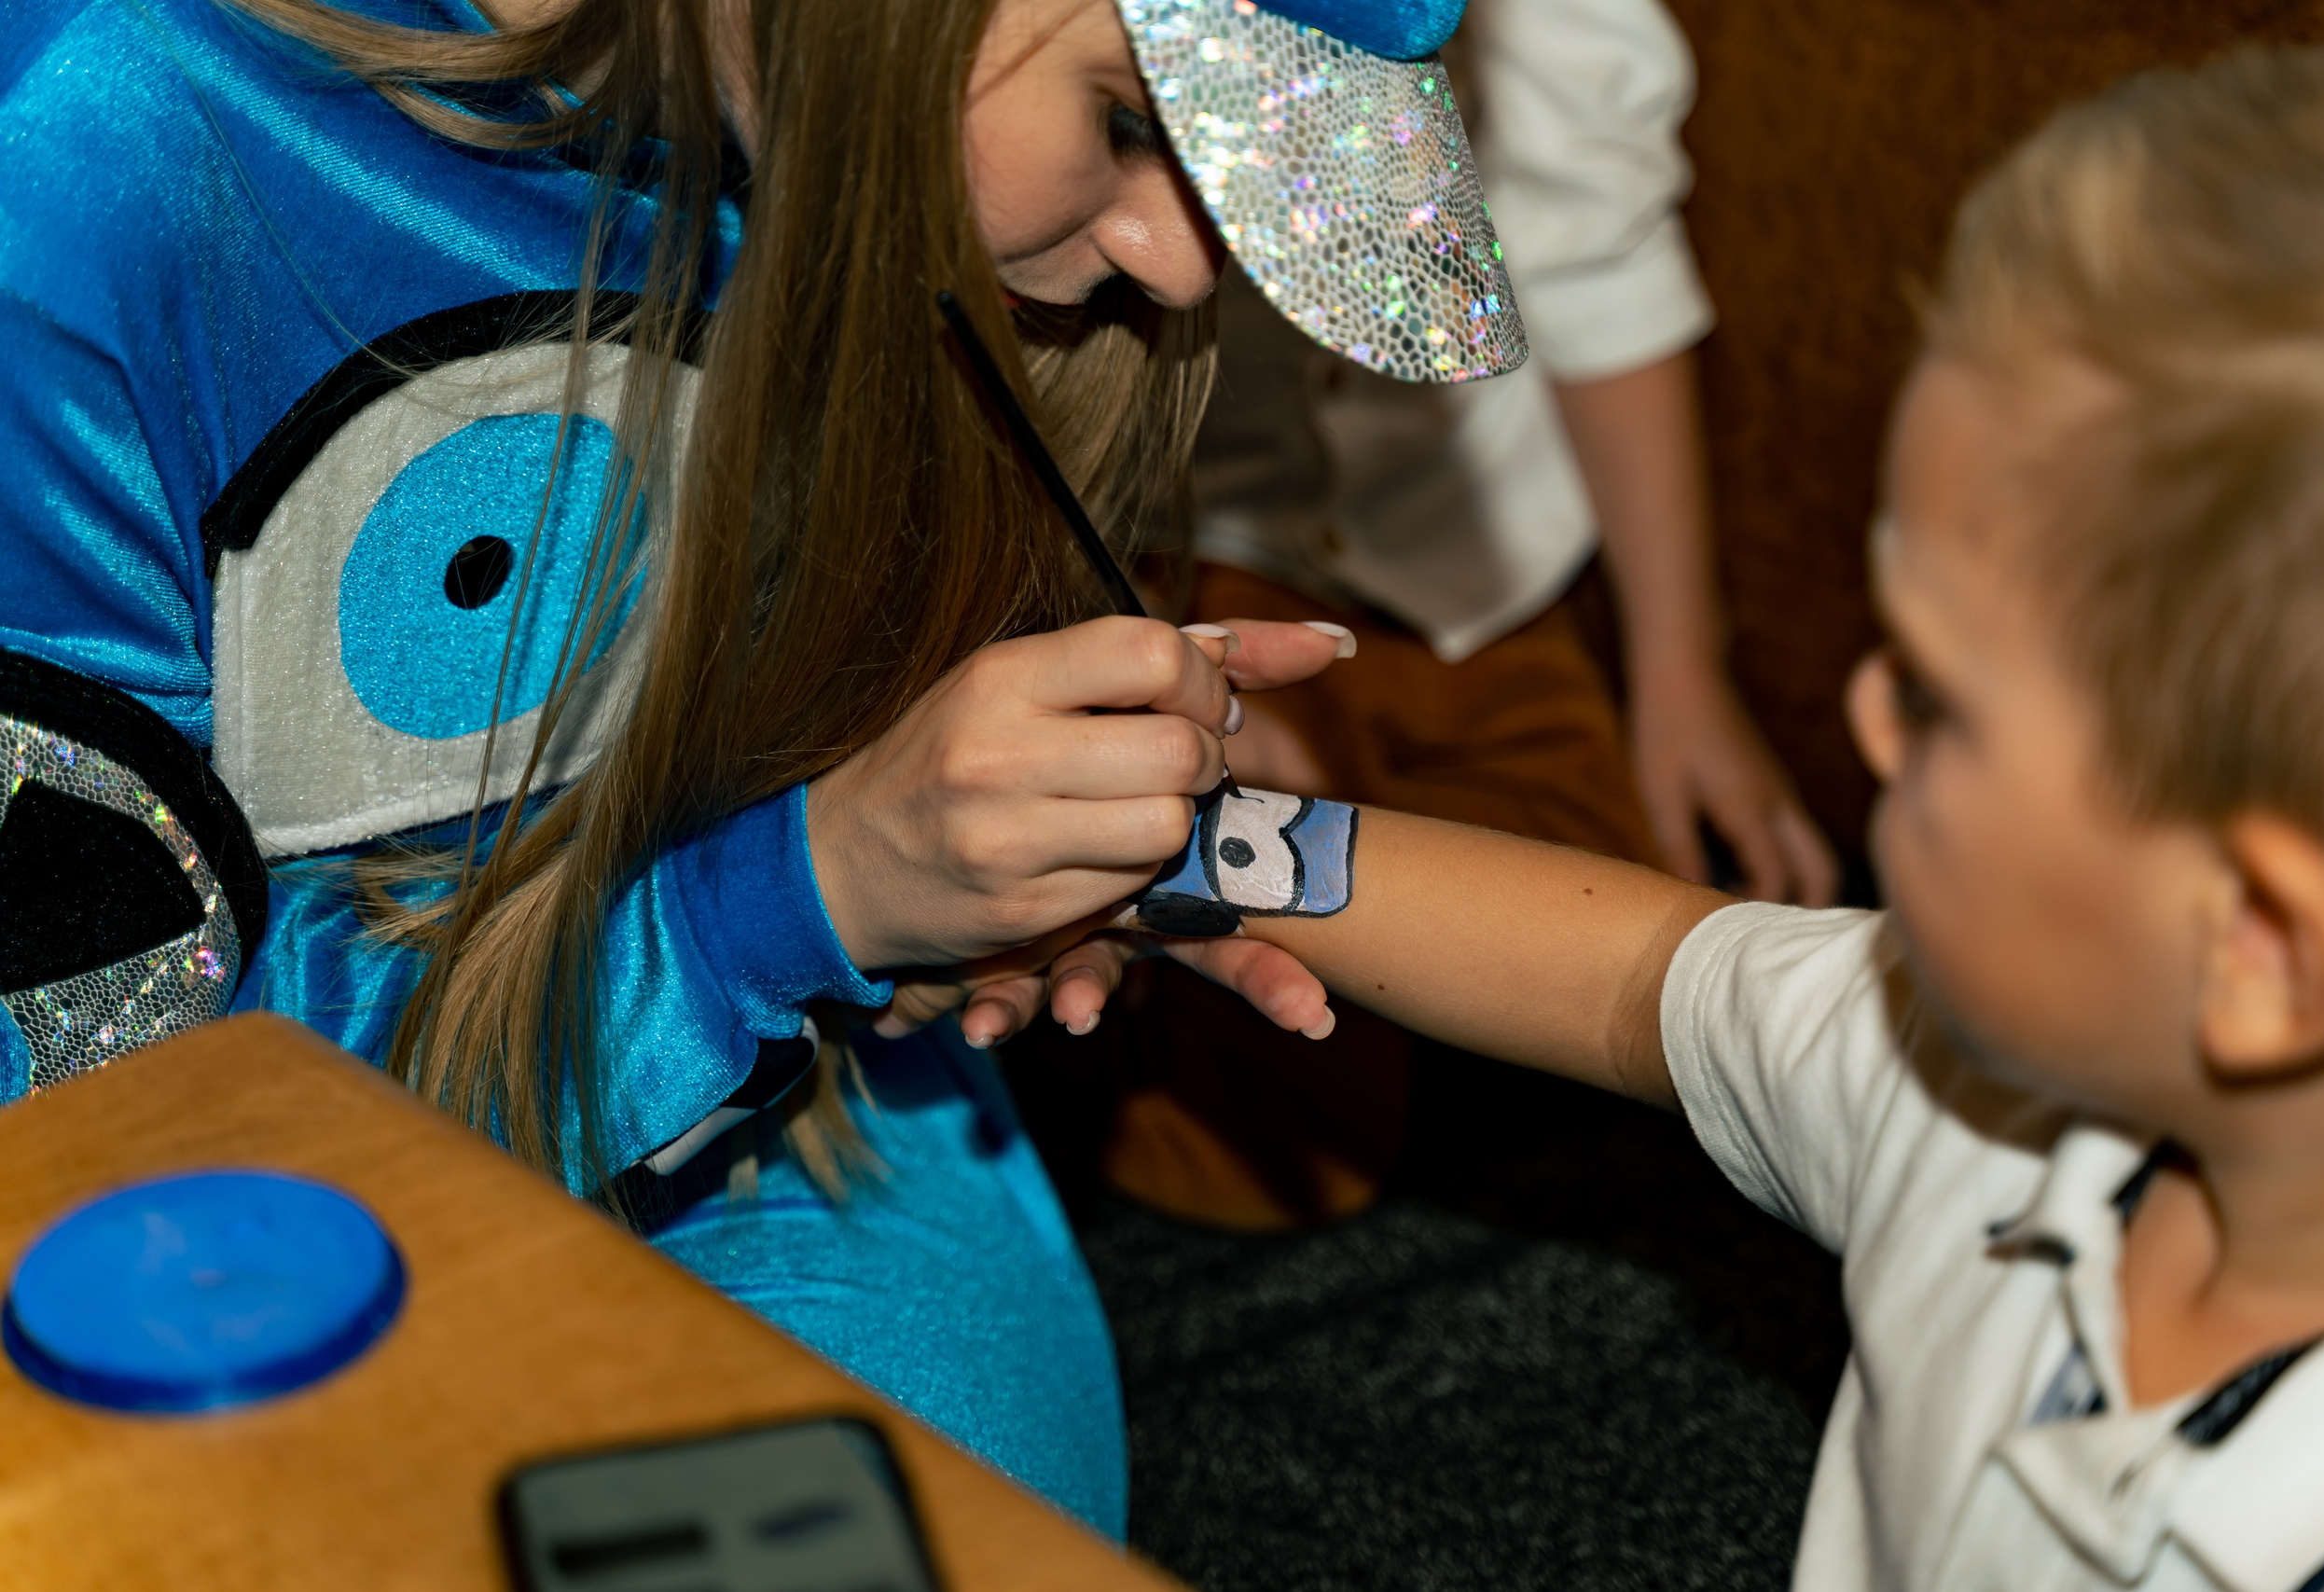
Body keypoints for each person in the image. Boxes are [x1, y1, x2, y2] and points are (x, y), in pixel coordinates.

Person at [0, 0, 1521, 1534]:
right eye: (1130, 122)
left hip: (792, 1116)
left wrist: (950, 874)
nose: (1188, 268)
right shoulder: (88, 149)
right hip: (192, 1236)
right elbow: (92, 1127)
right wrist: (795, 899)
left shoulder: (876, 161)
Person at [998, 35, 2324, 1585]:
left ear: (2263, 945)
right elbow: (1629, 974)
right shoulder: (1959, 1085)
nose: (1862, 713)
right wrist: (1168, 844)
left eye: (1931, 697)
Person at [1023, 0, 1836, 1231]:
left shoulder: (1559, 38)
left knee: (1623, 909)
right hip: (1208, 548)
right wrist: (1149, 659)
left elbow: (1602, 261)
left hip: (1475, 576)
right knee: (1266, 1121)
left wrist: (1682, 671)